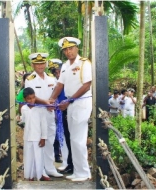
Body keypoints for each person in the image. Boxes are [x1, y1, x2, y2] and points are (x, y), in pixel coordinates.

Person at [49, 37, 92, 182]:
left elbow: (87, 85)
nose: (68, 52)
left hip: (81, 103)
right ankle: (78, 171)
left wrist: (69, 100)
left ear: (76, 49)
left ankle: (84, 172)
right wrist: (52, 99)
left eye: (70, 48)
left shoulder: (84, 63)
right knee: (73, 139)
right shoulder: (66, 66)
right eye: (65, 50)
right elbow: (59, 85)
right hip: (71, 103)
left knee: (79, 139)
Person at [25, 53, 63, 180]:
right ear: (33, 65)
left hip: (49, 113)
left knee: (50, 141)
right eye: (37, 64)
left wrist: (53, 103)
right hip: (36, 114)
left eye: (42, 63)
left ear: (46, 64)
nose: (40, 66)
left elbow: (56, 93)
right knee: (38, 142)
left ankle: (50, 168)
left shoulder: (52, 78)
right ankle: (39, 171)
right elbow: (31, 97)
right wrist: (46, 103)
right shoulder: (30, 79)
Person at [48, 58, 73, 174]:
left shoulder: (69, 81)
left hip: (69, 112)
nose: (57, 74)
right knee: (63, 138)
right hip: (60, 113)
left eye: (58, 71)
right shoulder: (57, 83)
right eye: (54, 72)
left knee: (70, 139)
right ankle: (67, 163)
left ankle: (72, 164)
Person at [19, 87, 47, 181]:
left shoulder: (40, 109)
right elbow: (23, 120)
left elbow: (44, 124)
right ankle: (29, 176)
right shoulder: (23, 109)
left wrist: (43, 137)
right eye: (29, 98)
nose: (32, 100)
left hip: (38, 137)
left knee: (38, 157)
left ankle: (39, 175)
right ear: (25, 99)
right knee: (28, 157)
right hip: (27, 137)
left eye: (33, 97)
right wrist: (19, 119)